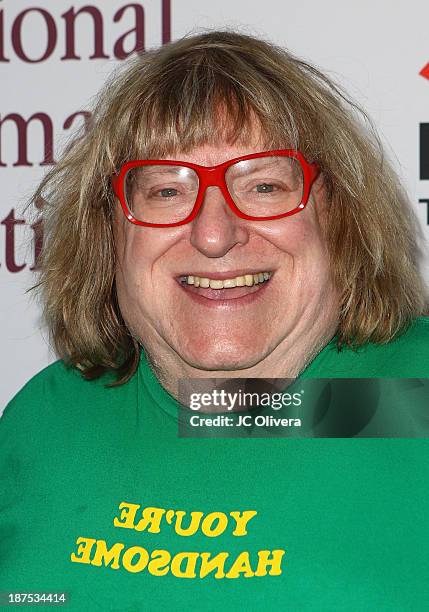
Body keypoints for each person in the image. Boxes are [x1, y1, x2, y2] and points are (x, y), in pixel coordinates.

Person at [1, 30, 429, 609]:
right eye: (165, 192)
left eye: (264, 185)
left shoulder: (411, 396)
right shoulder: (47, 420)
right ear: (109, 233)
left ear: (343, 216)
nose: (213, 233)